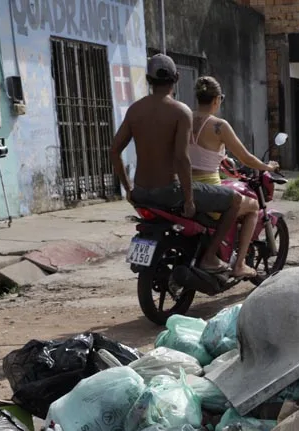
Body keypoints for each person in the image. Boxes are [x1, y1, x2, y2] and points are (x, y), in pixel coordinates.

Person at [111, 54, 239, 273]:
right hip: (170, 191)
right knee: (235, 200)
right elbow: (181, 158)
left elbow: (114, 151)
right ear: (177, 77)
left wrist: (128, 188)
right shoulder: (180, 111)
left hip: (141, 192)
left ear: (149, 79)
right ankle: (209, 258)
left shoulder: (135, 110)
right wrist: (189, 199)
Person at [189, 76, 279, 279]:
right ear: (216, 100)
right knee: (253, 206)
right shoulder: (219, 126)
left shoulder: (184, 119)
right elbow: (245, 157)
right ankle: (239, 265)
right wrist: (268, 167)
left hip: (186, 188)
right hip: (209, 190)